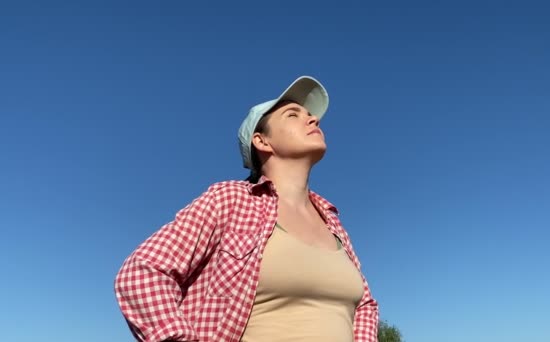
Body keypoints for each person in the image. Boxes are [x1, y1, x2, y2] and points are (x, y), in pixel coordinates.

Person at [114, 76, 379, 342]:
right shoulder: (230, 200)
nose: (313, 120)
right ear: (262, 141)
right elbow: (142, 271)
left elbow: (365, 305)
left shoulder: (333, 222)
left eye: (311, 115)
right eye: (293, 114)